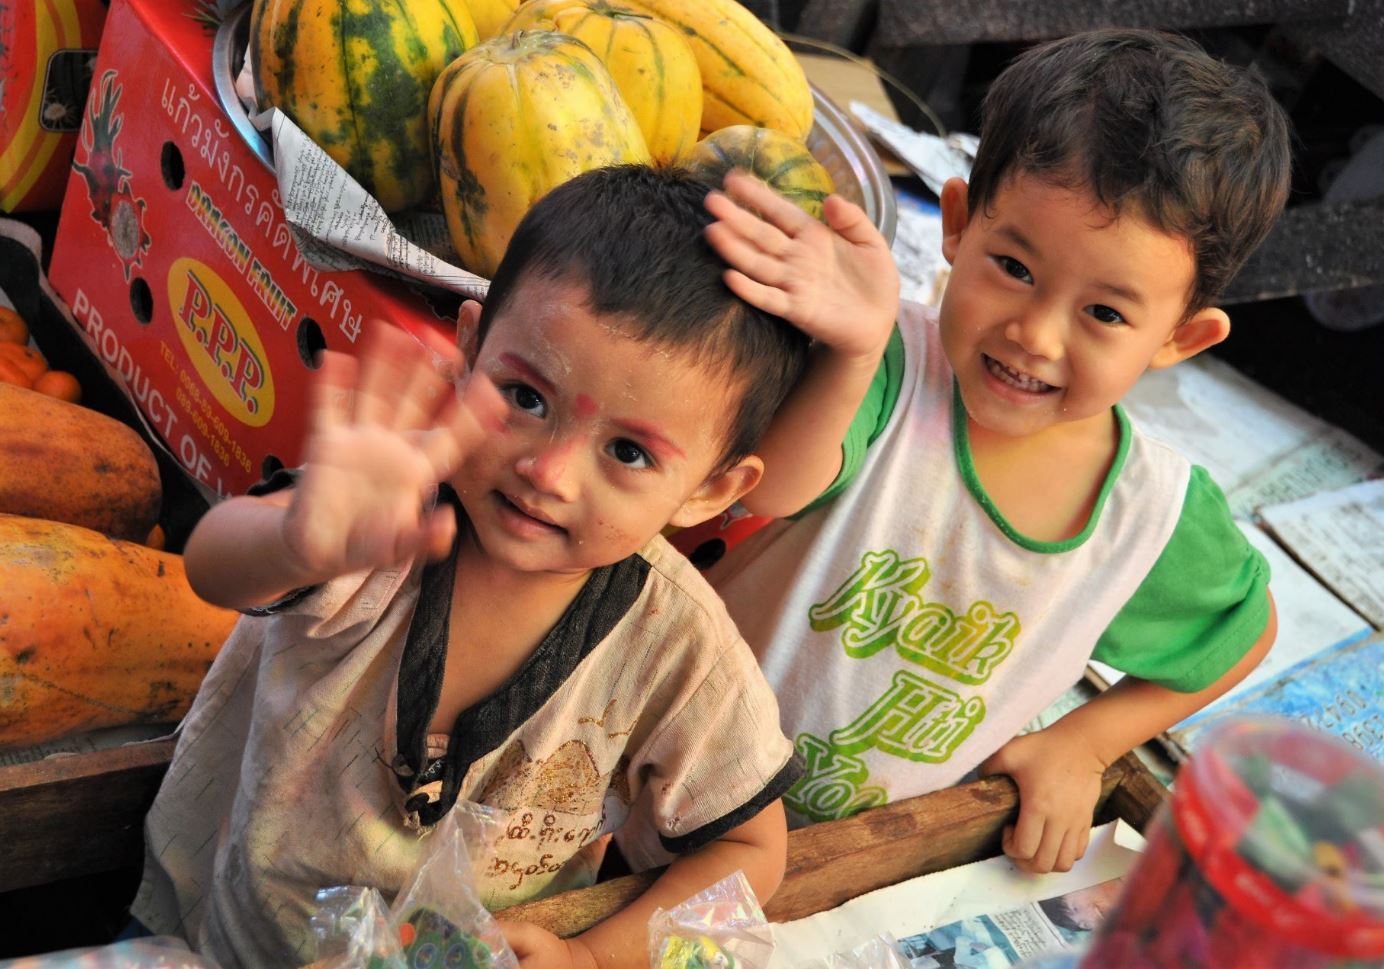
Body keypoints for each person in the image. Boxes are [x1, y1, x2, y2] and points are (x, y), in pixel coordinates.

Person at [130, 167, 809, 969]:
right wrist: (296, 543)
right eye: (525, 397)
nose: (549, 472)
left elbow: (748, 848)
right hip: (239, 943)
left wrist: (590, 956)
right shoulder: (386, 511)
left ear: (712, 489)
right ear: (470, 345)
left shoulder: (679, 647)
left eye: (627, 452)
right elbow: (213, 566)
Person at [699, 29, 1288, 874]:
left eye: (1106, 314)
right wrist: (854, 350)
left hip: (855, 860)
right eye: (1012, 265)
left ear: (1180, 338)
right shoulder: (888, 363)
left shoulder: (1146, 517)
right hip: (670, 788)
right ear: (955, 225)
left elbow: (1242, 632)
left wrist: (1083, 745)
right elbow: (773, 487)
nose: (1035, 334)